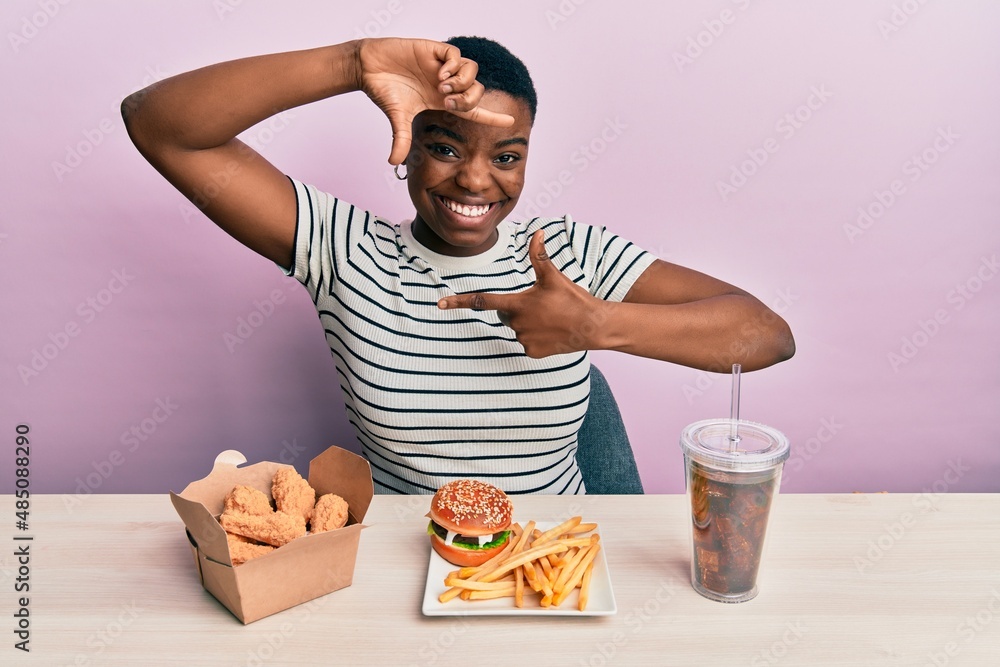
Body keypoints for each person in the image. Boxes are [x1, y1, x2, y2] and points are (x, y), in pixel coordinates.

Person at [122, 37, 794, 495]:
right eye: (445, 146)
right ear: (408, 143)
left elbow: (765, 333)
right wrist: (354, 63)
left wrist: (597, 324)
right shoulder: (344, 251)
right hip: (407, 574)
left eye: (507, 156)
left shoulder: (566, 251)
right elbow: (160, 125)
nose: (475, 181)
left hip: (559, 569)